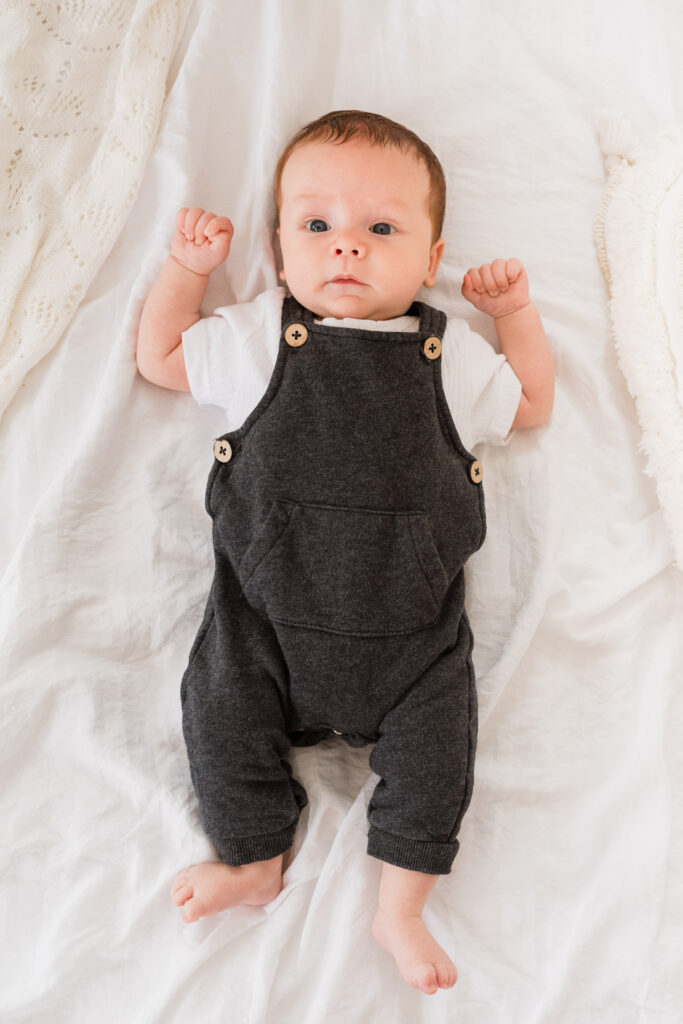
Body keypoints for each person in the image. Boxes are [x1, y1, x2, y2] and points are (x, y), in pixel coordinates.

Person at [136, 110, 554, 996]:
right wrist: (188, 271)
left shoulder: (452, 358)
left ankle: (400, 905)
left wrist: (513, 316)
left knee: (441, 754)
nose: (347, 250)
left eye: (381, 230)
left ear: (430, 259)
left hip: (412, 644)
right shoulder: (257, 339)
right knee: (218, 709)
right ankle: (253, 858)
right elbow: (162, 356)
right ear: (281, 250)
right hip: (267, 629)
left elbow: (529, 405)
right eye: (316, 226)